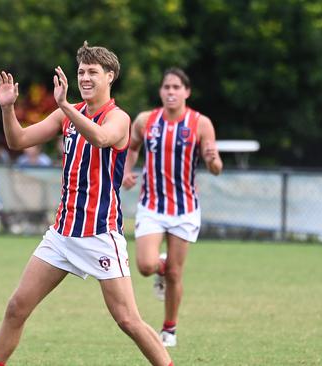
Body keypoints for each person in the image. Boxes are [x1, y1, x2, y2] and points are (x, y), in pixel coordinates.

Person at [0, 42, 173, 366]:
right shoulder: (66, 113)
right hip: (62, 233)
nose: (85, 77)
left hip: (100, 234)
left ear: (109, 76)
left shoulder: (118, 118)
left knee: (128, 320)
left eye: (92, 72)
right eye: (81, 72)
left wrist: (65, 106)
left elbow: (101, 137)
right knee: (17, 307)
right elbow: (17, 140)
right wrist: (7, 107)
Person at [122, 67, 223, 348]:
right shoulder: (146, 120)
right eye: (167, 87)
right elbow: (131, 147)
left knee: (176, 274)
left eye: (177, 87)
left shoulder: (201, 124)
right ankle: (160, 266)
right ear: (160, 91)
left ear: (186, 92)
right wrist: (127, 171)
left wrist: (214, 161)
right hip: (152, 205)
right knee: (144, 265)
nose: (171, 92)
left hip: (184, 208)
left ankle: (169, 330)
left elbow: (215, 167)